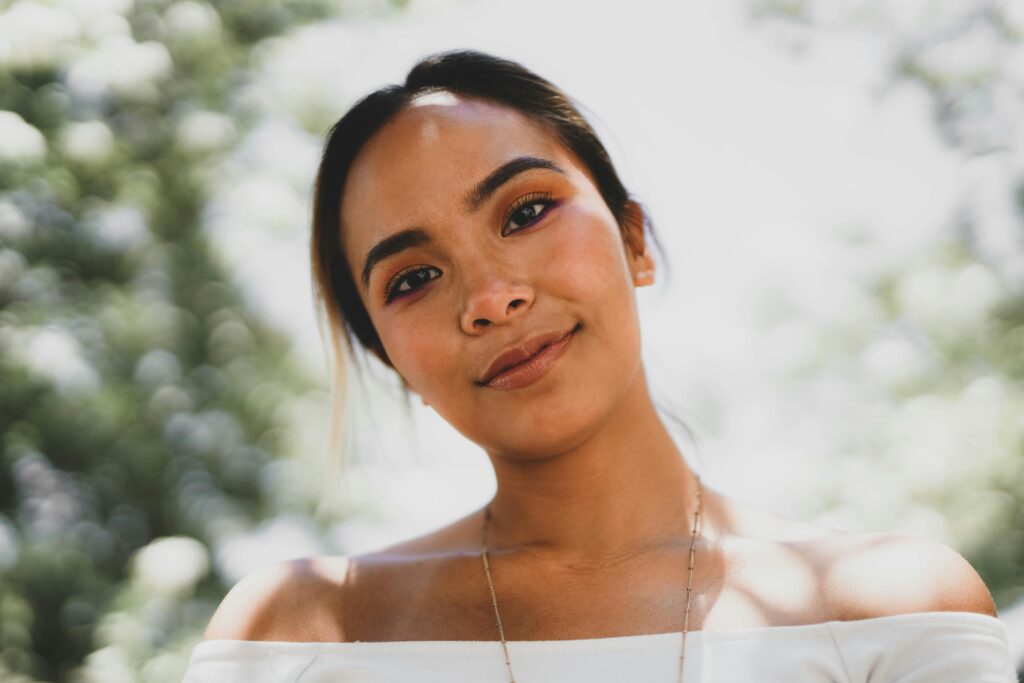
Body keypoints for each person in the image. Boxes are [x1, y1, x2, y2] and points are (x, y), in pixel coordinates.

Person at [181, 49, 1017, 681]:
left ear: (633, 240)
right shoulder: (298, 632)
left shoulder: (892, 605)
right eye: (414, 278)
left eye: (528, 210)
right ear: (393, 359)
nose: (490, 296)